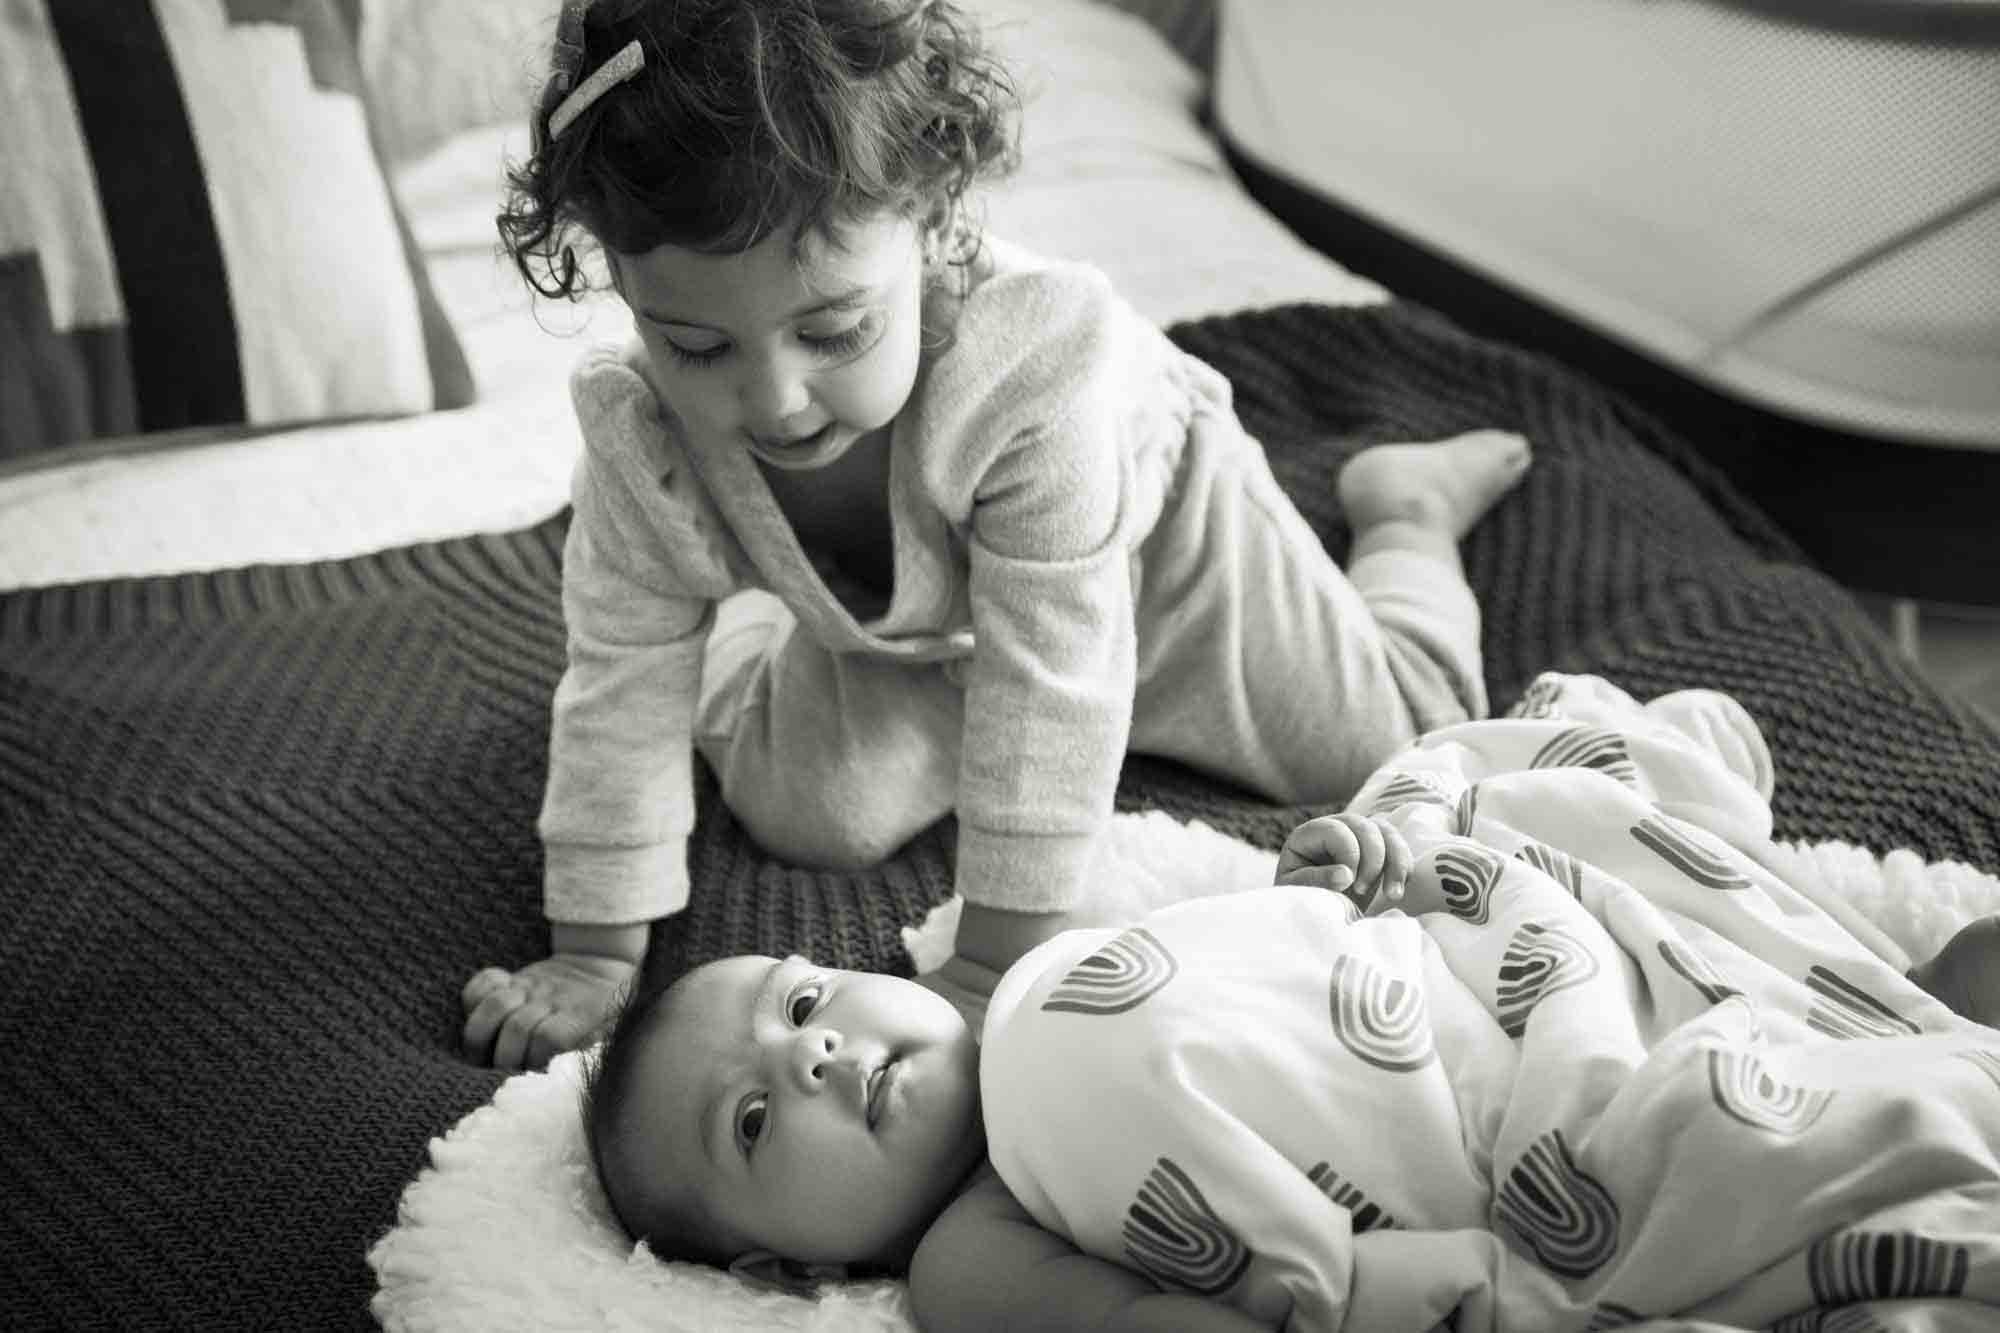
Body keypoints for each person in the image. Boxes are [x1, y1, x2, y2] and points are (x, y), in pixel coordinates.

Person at [458, 0, 1533, 1072]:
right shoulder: (640, 434)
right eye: (692, 344)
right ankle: (737, 622)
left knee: (1402, 744)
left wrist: (991, 960)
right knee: (811, 815)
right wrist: (595, 953)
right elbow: (620, 671)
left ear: (931, 217)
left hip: (1163, 565)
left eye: (832, 330)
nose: (775, 400)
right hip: (916, 631)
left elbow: (1053, 669)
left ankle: (1405, 512)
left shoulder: (1030, 365)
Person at [577, 675, 2000, 1333]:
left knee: (1462, 782)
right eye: (756, 1117)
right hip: (1544, 1145)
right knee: (1790, 1130)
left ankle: (1878, 1008)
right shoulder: (973, 1253)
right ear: (781, 1271)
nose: (818, 1051)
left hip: (1509, 975)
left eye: (803, 996)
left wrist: (1356, 861)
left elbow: (1285, 962)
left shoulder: (1036, 981)